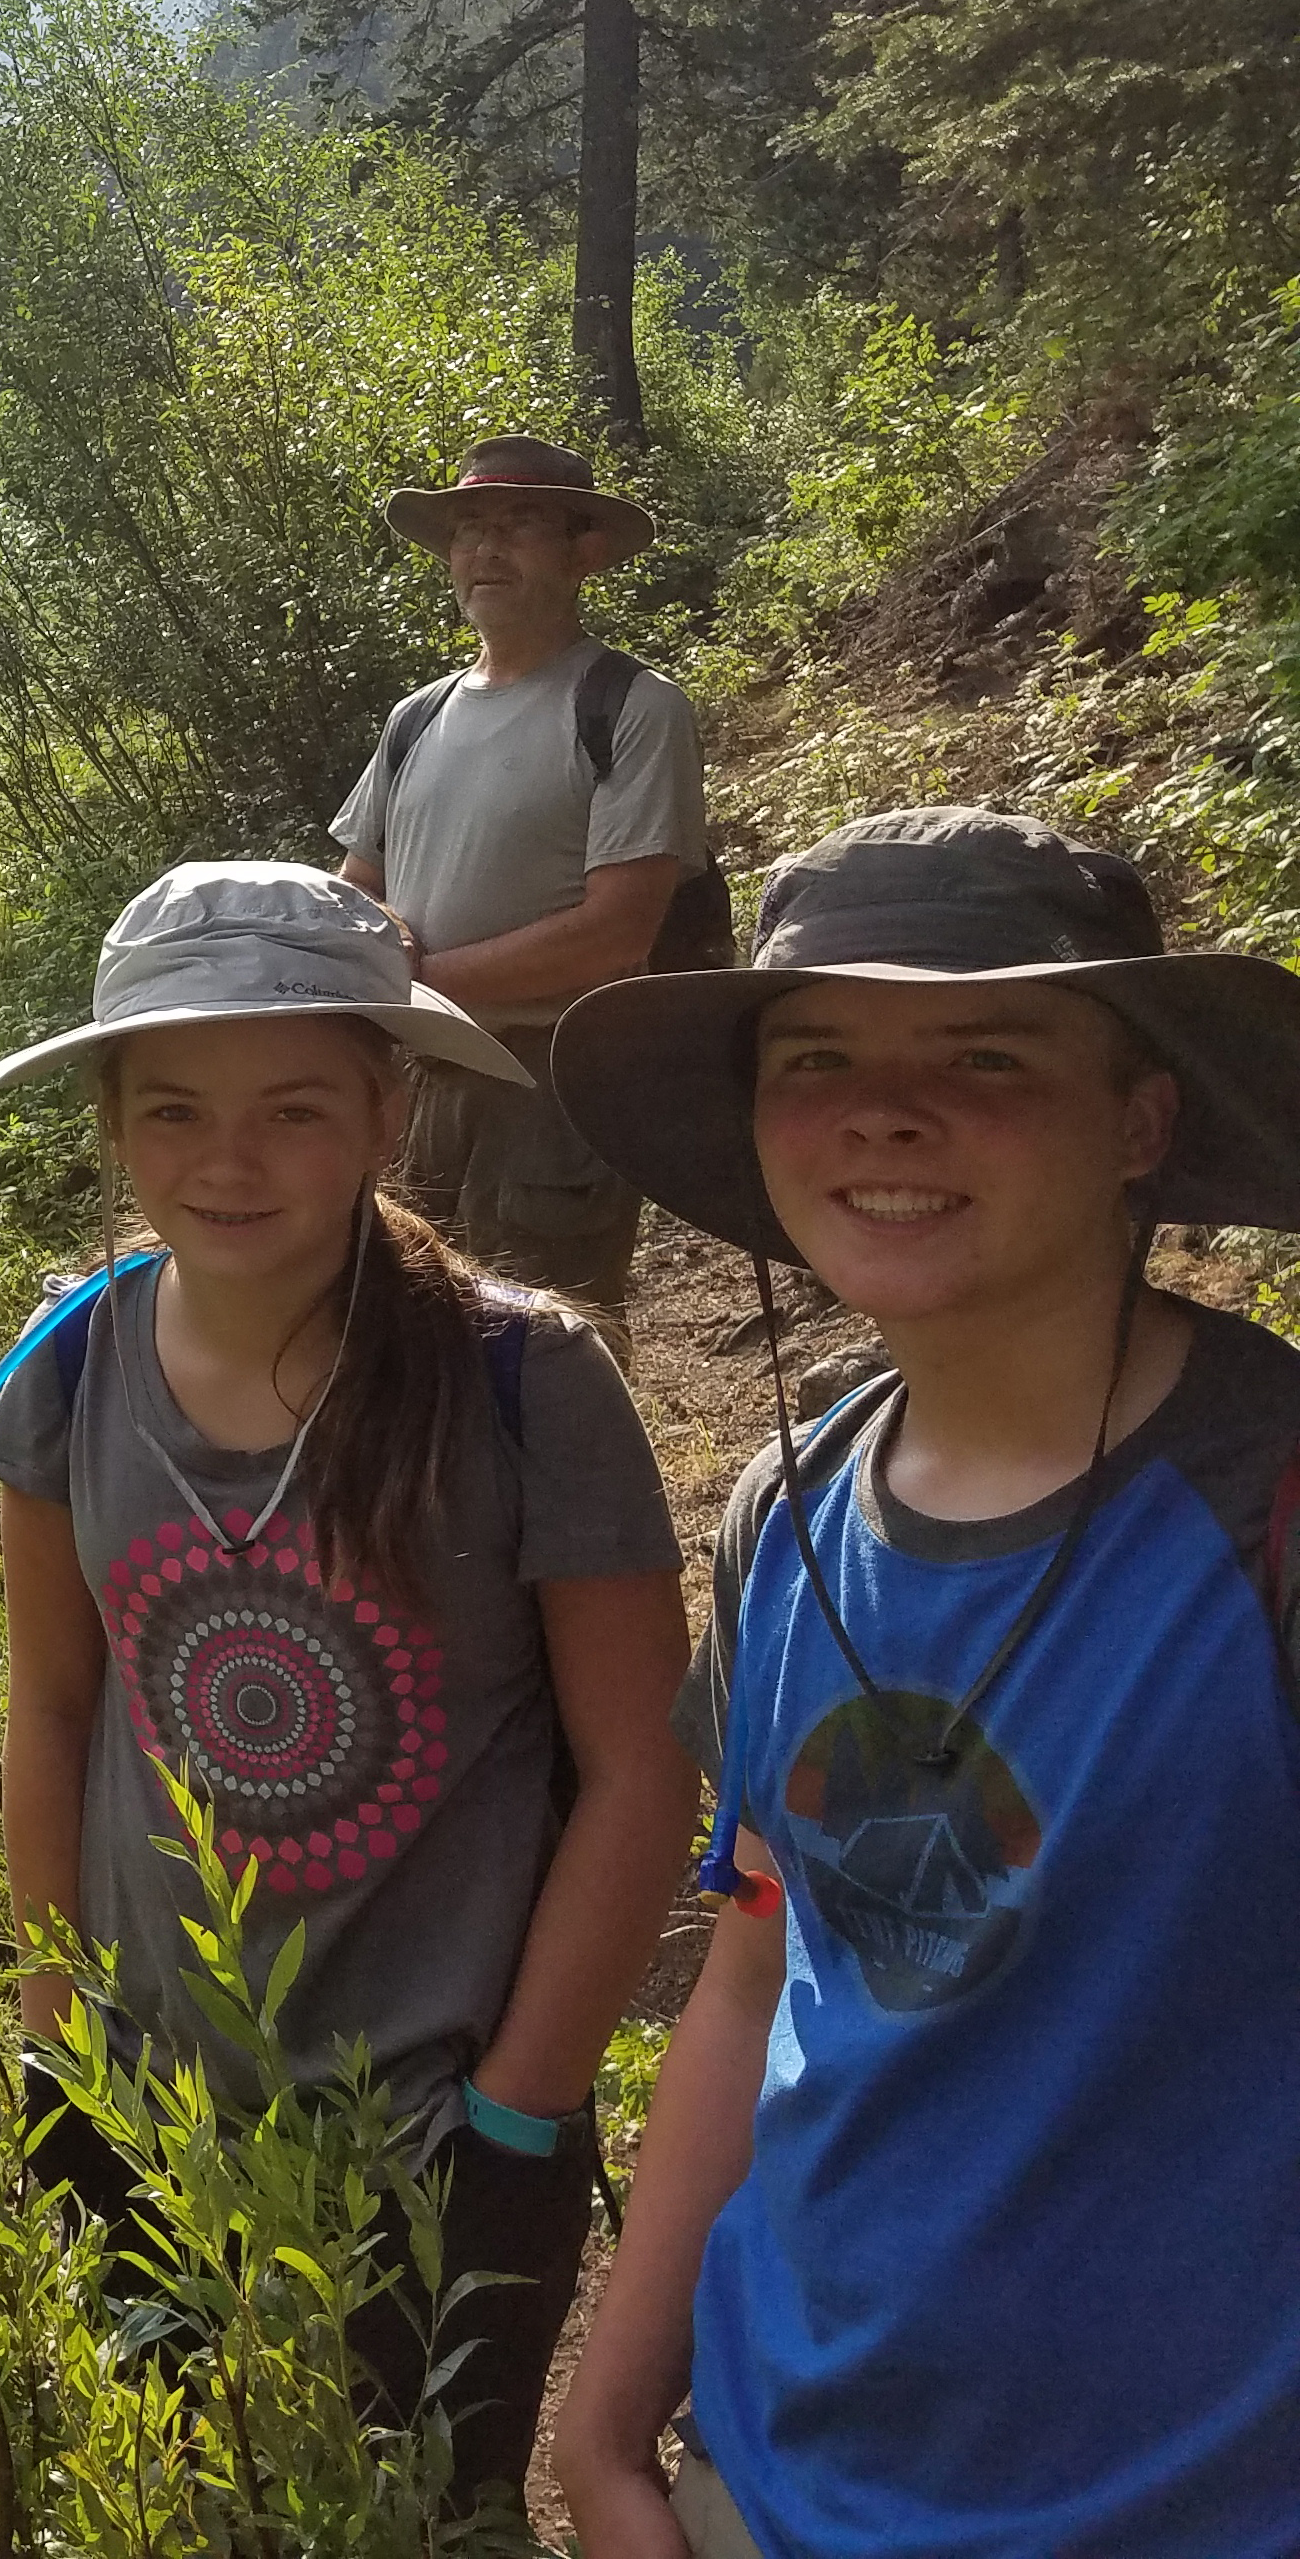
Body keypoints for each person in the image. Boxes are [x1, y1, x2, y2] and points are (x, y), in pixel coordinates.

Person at [545, 806, 1300, 2559]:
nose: (883, 1111)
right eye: (816, 1055)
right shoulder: (780, 1508)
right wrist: (600, 2427)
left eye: (986, 1051)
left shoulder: (1263, 1511)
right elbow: (752, 1968)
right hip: (773, 2468)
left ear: (1140, 1117)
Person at [0, 860, 697, 2508]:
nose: (226, 1159)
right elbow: (52, 1705)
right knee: (183, 2493)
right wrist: (48, 2027)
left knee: (422, 2507)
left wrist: (520, 2104)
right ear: (112, 1122)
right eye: (172, 1109)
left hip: (438, 2130)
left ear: (389, 1108)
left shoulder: (525, 1376)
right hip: (149, 2099)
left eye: (294, 1108)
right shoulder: (69, 1357)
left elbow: (641, 1763)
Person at [333, 435, 707, 1311]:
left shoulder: (632, 707)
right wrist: (370, 955)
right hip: (416, 1085)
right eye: (468, 529)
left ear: (585, 552)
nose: (484, 549)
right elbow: (357, 884)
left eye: (520, 524)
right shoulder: (414, 719)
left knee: (549, 1346)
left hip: (550, 1091)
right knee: (408, 1327)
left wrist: (413, 980)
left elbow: (617, 932)